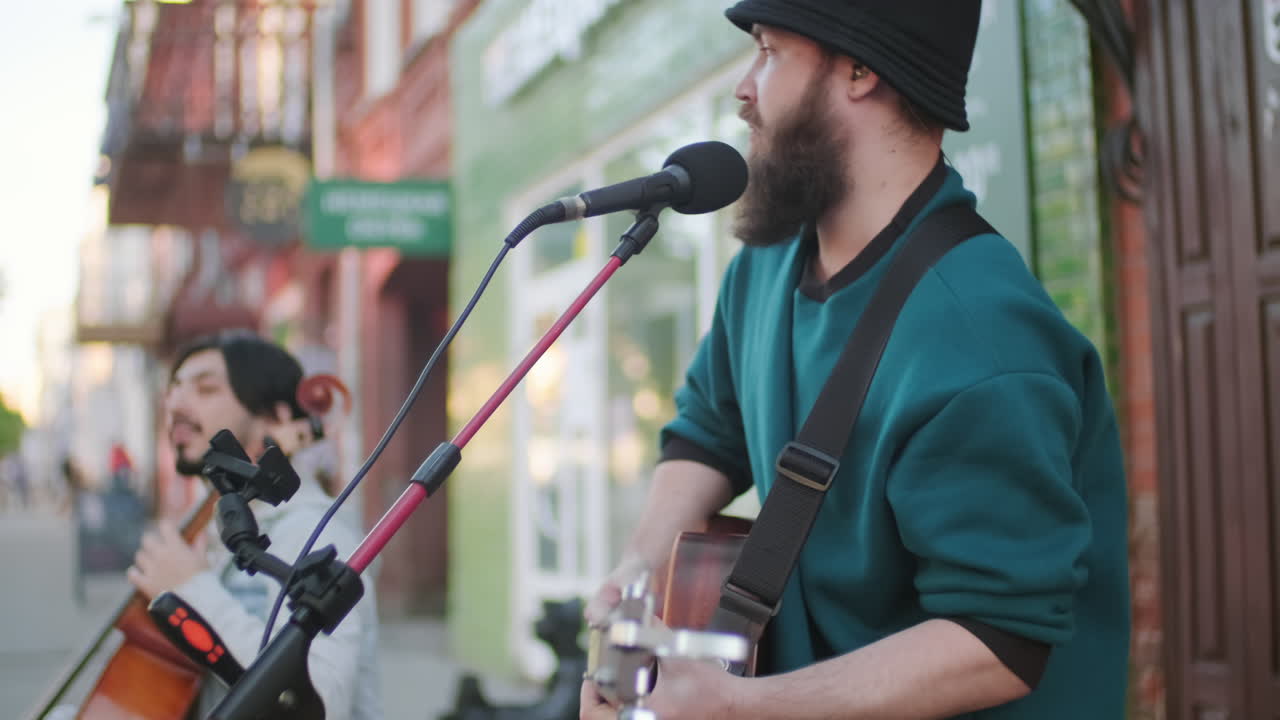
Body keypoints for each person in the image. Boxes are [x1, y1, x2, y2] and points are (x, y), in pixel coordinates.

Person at [581, 1, 1130, 719]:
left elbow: (999, 641)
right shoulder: (766, 267)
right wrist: (638, 575)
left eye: (770, 52)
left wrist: (737, 707)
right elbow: (708, 431)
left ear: (862, 70)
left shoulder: (982, 334)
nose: (743, 88)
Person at [126, 330, 383, 720]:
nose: (175, 402)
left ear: (277, 417)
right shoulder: (211, 532)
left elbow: (318, 701)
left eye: (206, 389)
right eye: (174, 388)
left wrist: (192, 589)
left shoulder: (315, 532)